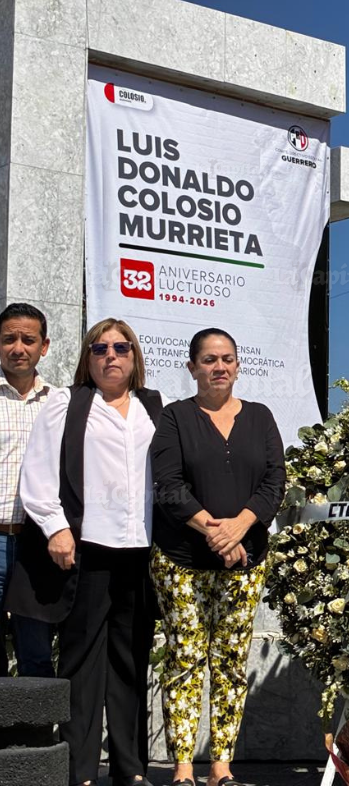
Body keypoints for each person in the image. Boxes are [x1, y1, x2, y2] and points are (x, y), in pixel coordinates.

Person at [7, 318, 164, 786]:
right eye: (100, 348)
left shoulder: (153, 406)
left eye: (121, 347)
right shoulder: (68, 403)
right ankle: (81, 771)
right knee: (81, 662)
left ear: (134, 356)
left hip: (138, 551)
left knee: (131, 661)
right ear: (88, 358)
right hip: (86, 550)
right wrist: (56, 528)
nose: (111, 355)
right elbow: (37, 473)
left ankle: (130, 769)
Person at [150, 328, 286, 786]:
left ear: (238, 365)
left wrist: (239, 528)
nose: (219, 367)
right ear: (192, 367)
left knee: (229, 663)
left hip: (244, 562)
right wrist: (216, 532)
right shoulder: (174, 417)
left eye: (227, 358)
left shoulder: (261, 417)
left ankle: (221, 768)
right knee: (186, 659)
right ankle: (183, 770)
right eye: (209, 360)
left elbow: (274, 483)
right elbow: (168, 485)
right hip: (181, 561)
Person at [0, 303, 55, 677]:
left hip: (37, 543)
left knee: (36, 653)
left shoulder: (59, 402)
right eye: (9, 339)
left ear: (44, 346)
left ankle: (37, 719)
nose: (18, 348)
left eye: (28, 340)